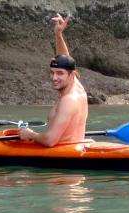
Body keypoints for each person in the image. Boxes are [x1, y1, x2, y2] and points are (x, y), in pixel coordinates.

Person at [19, 13, 88, 146]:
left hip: (64, 157)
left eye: (59, 74)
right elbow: (65, 61)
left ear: (72, 75)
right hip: (75, 146)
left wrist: (30, 134)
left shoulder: (68, 100)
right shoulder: (78, 90)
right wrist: (58, 34)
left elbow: (50, 141)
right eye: (52, 73)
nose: (54, 78)